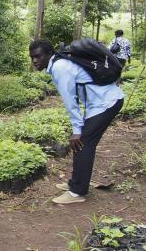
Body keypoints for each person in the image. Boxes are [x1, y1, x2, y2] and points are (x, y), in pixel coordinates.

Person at [29, 39, 124, 205]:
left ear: (49, 54)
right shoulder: (59, 64)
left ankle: (77, 192)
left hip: (106, 102)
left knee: (82, 143)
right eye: (32, 57)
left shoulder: (60, 67)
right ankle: (75, 184)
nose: (35, 61)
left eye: (38, 56)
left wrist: (77, 130)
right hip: (100, 103)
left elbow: (70, 101)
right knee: (83, 143)